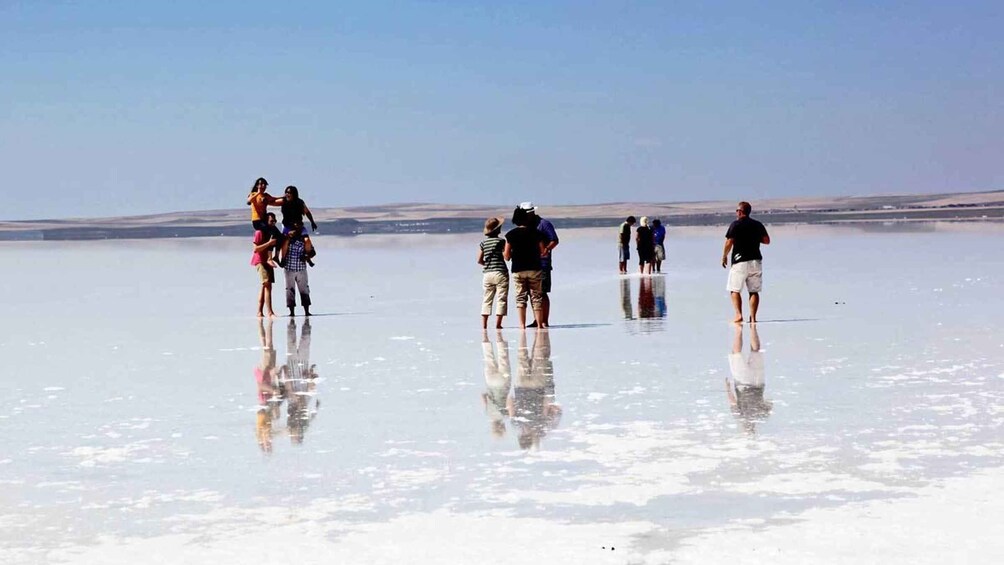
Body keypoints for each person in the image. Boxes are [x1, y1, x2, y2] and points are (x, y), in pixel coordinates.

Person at [721, 201, 771, 323]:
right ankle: (753, 317)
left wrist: (724, 256)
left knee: (734, 289)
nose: (736, 212)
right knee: (754, 291)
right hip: (755, 260)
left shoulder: (735, 224)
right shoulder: (757, 224)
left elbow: (729, 242)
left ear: (740, 211)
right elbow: (766, 240)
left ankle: (738, 314)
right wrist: (753, 238)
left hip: (740, 261)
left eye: (737, 210)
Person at [504, 207, 547, 329]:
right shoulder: (537, 233)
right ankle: (539, 324)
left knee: (520, 297)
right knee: (536, 297)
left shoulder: (510, 235)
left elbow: (506, 256)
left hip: (518, 268)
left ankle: (522, 325)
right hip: (535, 268)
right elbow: (543, 251)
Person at [725, 323, 771, 435]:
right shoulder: (739, 416)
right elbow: (733, 401)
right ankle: (739, 330)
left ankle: (753, 328)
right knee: (736, 354)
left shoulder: (761, 415)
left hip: (758, 383)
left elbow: (769, 404)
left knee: (755, 352)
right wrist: (728, 388)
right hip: (742, 383)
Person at [519, 202, 558, 328]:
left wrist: (545, 250)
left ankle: (544, 320)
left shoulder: (544, 224)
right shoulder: (526, 226)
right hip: (530, 263)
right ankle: (537, 319)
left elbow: (554, 240)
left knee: (542, 292)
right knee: (533, 293)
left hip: (542, 264)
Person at [477, 217, 509, 330]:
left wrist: (487, 264)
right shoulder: (501, 241)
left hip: (487, 274)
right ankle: (498, 324)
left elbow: (479, 260)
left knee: (487, 298)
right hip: (500, 272)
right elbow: (506, 256)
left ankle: (484, 325)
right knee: (501, 298)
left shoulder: (483, 243)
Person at [247, 177, 284, 265]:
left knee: (280, 236)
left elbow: (274, 199)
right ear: (257, 185)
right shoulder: (253, 194)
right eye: (261, 184)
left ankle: (276, 256)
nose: (263, 186)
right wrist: (258, 193)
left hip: (264, 221)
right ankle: (269, 258)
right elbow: (249, 201)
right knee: (272, 234)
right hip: (257, 221)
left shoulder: (266, 195)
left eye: (264, 185)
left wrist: (284, 197)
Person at [279, 221, 313, 317]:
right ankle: (292, 312)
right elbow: (282, 247)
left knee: (304, 290)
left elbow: (312, 252)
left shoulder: (305, 239)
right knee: (290, 290)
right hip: (289, 267)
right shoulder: (287, 239)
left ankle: (307, 311)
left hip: (301, 268)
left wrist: (306, 257)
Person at [280, 185, 318, 266]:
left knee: (307, 240)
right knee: (285, 241)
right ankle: (283, 259)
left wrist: (312, 222)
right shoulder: (283, 201)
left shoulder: (300, 202)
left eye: (289, 193)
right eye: (286, 192)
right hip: (287, 226)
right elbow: (273, 201)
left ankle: (307, 257)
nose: (287, 194)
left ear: (294, 194)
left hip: (299, 226)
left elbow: (307, 212)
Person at [252, 213, 280, 318]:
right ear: (266, 222)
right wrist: (269, 243)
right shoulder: (259, 232)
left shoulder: (272, 232)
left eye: (275, 221)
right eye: (271, 221)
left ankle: (259, 311)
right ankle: (270, 312)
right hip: (260, 260)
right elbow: (255, 249)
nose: (273, 223)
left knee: (266, 285)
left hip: (269, 260)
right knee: (267, 284)